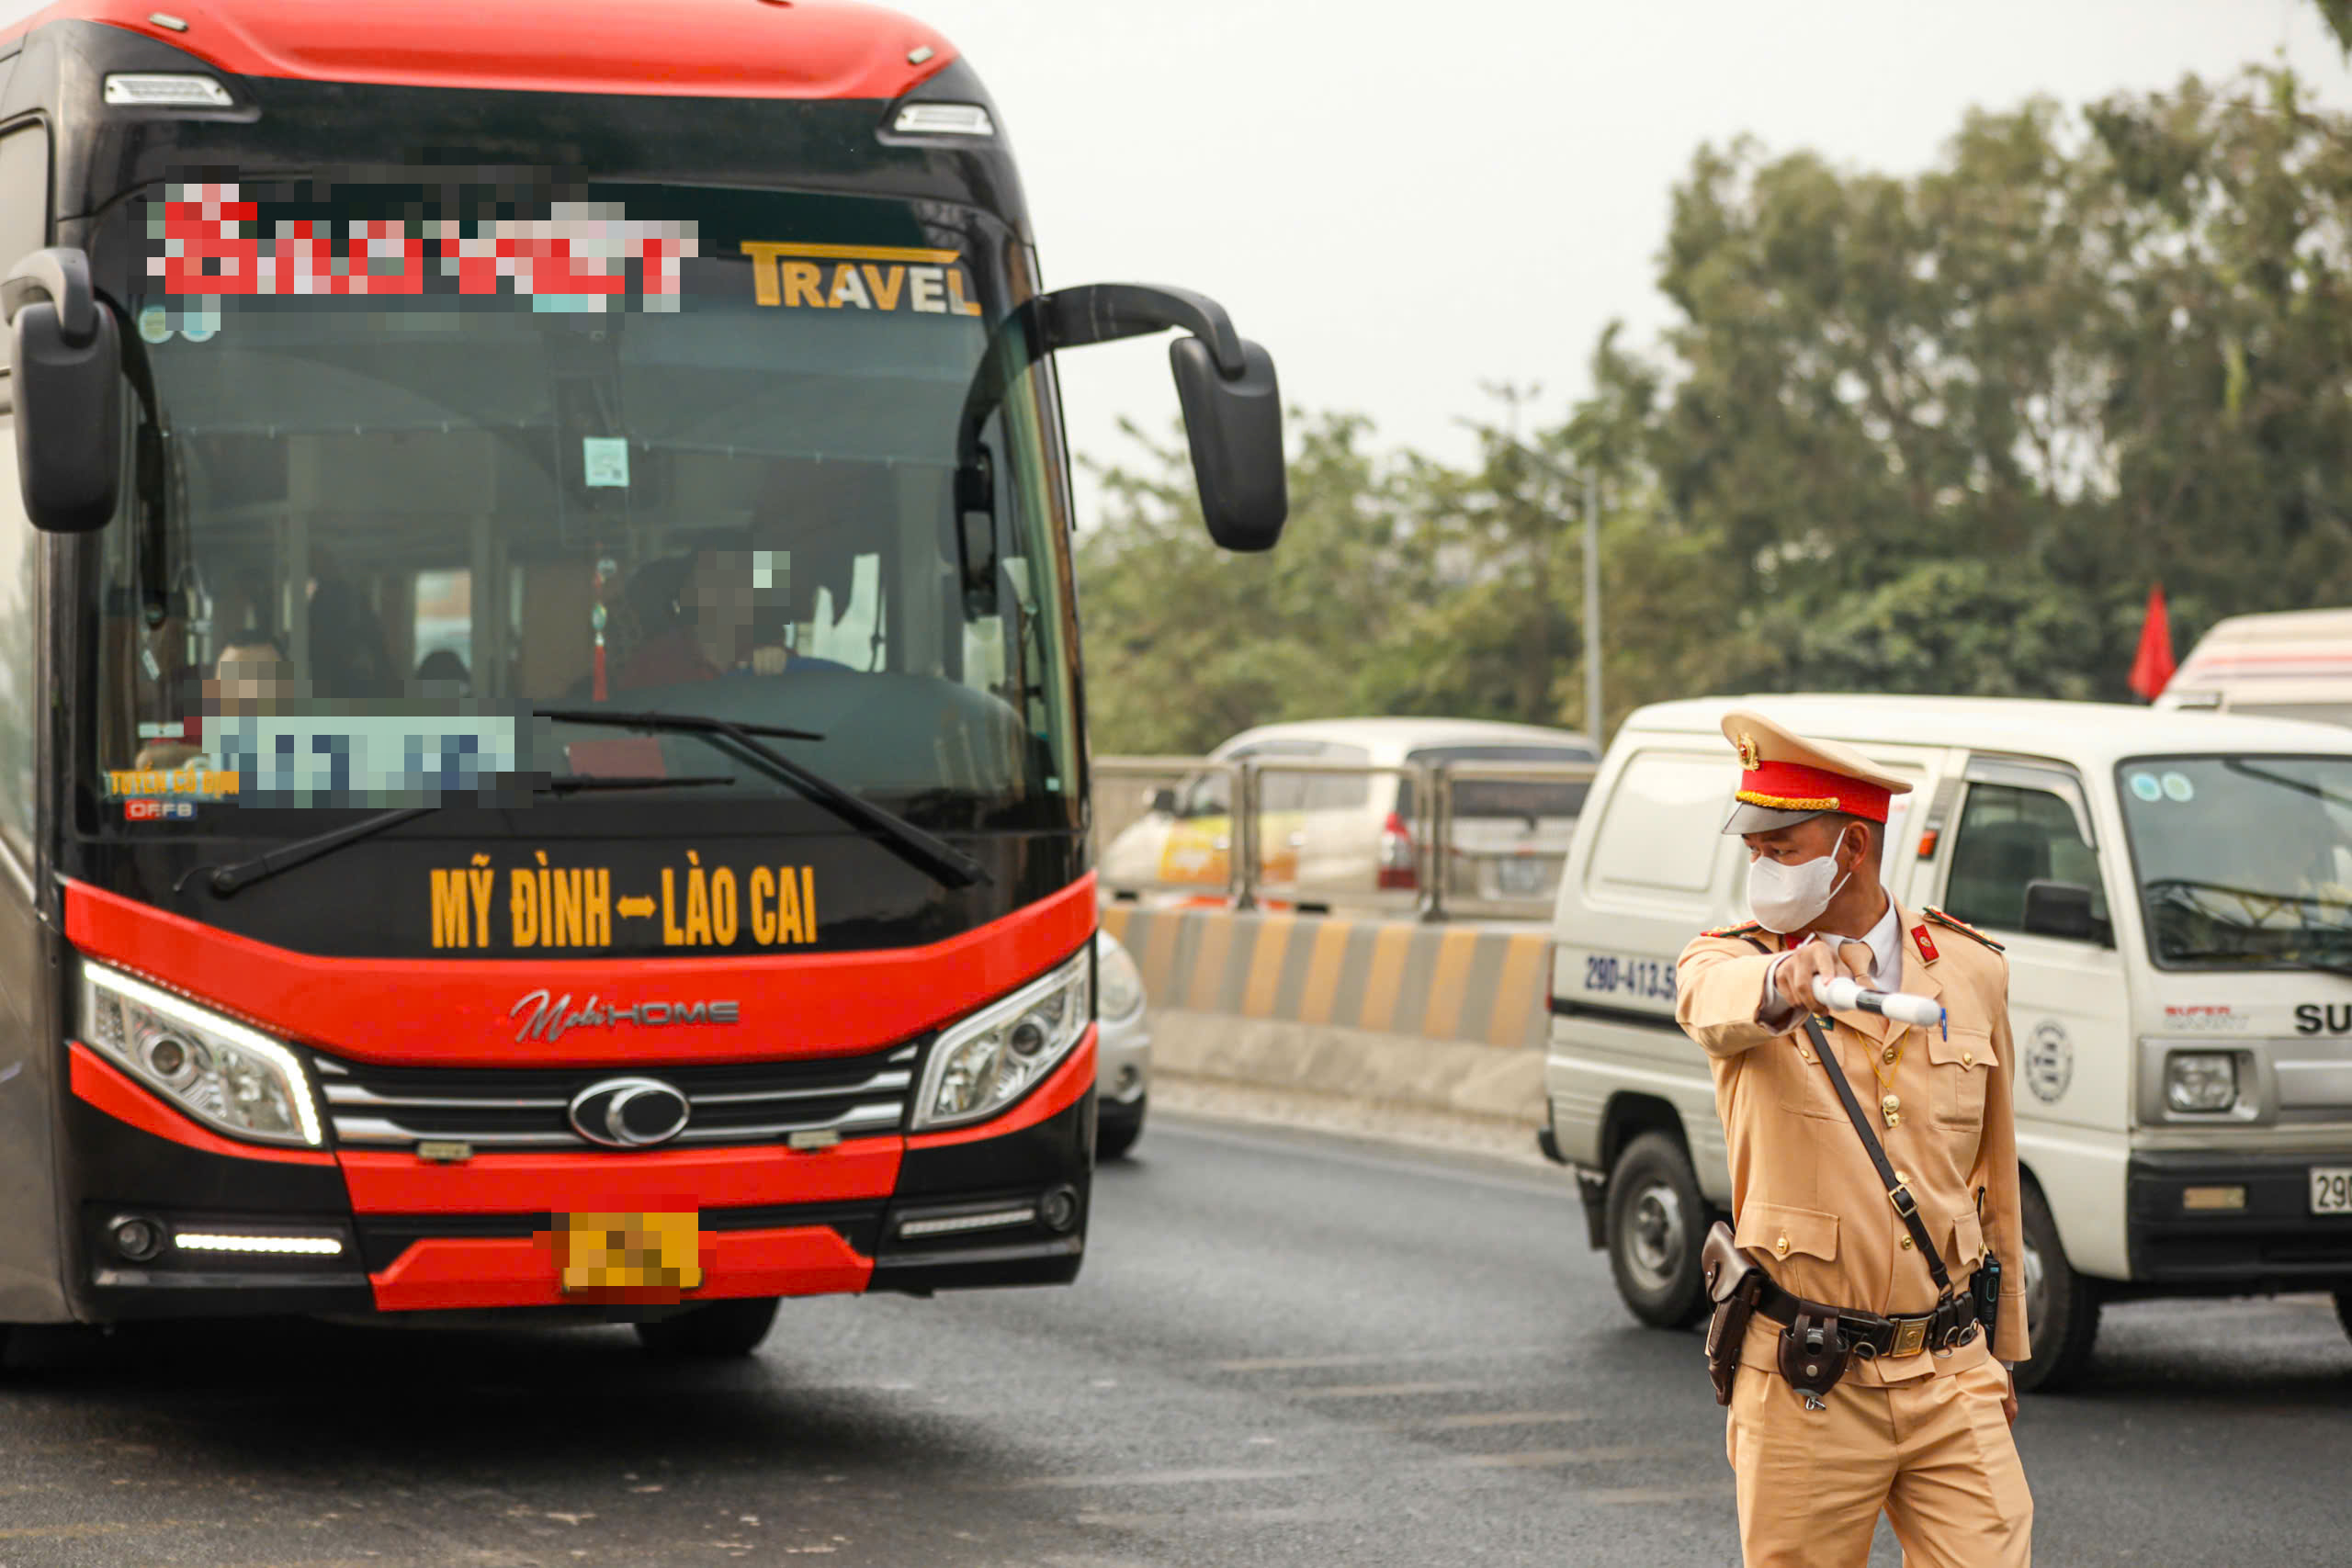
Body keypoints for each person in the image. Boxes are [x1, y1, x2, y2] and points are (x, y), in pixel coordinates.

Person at [1676, 707, 2031, 1568]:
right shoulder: (1731, 961)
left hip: (1950, 1369)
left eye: (1783, 846)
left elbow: (1994, 1178)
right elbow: (1711, 1006)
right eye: (1755, 847)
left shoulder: (1971, 969)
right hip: (1809, 1378)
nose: (1761, 865)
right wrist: (1786, 977)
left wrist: (2004, 1351)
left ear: (1852, 850)